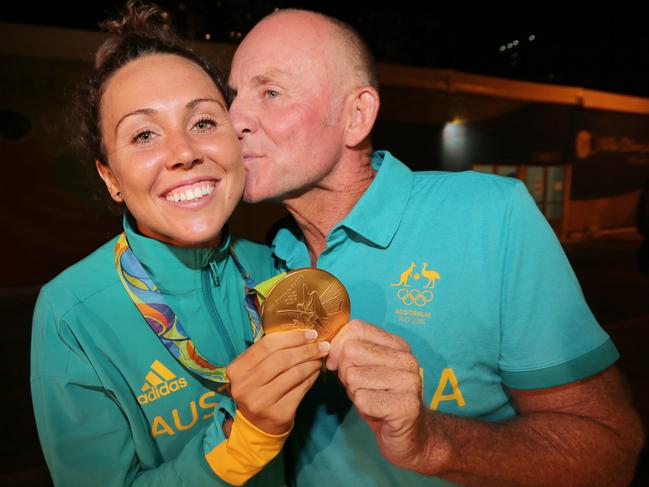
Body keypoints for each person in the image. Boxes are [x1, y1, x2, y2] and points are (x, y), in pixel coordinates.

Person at [228, 8, 646, 487]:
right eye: (235, 95)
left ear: (356, 115)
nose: (235, 118)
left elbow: (610, 447)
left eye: (271, 93)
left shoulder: (490, 215)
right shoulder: (261, 256)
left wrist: (431, 442)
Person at [30, 3, 329, 486]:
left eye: (205, 123)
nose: (184, 153)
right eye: (144, 134)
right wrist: (241, 438)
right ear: (111, 178)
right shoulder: (71, 313)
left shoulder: (275, 265)